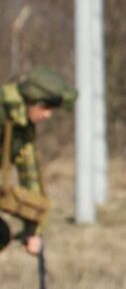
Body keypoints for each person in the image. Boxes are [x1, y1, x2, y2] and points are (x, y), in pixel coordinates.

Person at [0, 67, 76, 255]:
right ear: (31, 101)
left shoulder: (22, 129)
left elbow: (31, 178)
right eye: (45, 107)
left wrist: (33, 230)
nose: (47, 115)